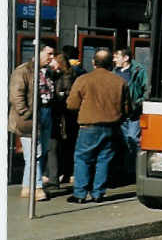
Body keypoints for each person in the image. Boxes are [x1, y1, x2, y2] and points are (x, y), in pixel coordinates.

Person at [66, 49, 130, 204]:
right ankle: (98, 193)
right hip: (112, 126)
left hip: (89, 126)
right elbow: (127, 108)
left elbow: (72, 105)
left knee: (82, 158)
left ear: (93, 63)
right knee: (104, 159)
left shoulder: (83, 80)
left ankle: (80, 194)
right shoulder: (120, 82)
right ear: (111, 63)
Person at [8, 43, 55, 201]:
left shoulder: (47, 72)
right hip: (31, 116)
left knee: (38, 153)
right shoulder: (23, 71)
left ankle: (27, 186)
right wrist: (27, 113)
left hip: (45, 113)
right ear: (38, 53)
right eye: (49, 54)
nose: (51, 57)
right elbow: (16, 95)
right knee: (35, 153)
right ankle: (37, 187)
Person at [113, 47, 148, 183]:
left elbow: (146, 90)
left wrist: (138, 103)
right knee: (123, 141)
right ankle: (127, 170)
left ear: (126, 58)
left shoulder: (138, 71)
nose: (114, 59)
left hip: (133, 113)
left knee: (133, 139)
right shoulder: (113, 72)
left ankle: (136, 169)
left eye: (117, 56)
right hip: (119, 114)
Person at [47, 53, 80, 187]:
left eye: (54, 60)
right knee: (67, 145)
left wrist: (58, 96)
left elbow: (64, 94)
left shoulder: (65, 76)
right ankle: (66, 173)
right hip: (68, 116)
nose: (51, 63)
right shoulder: (64, 74)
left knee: (61, 145)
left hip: (64, 115)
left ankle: (60, 174)